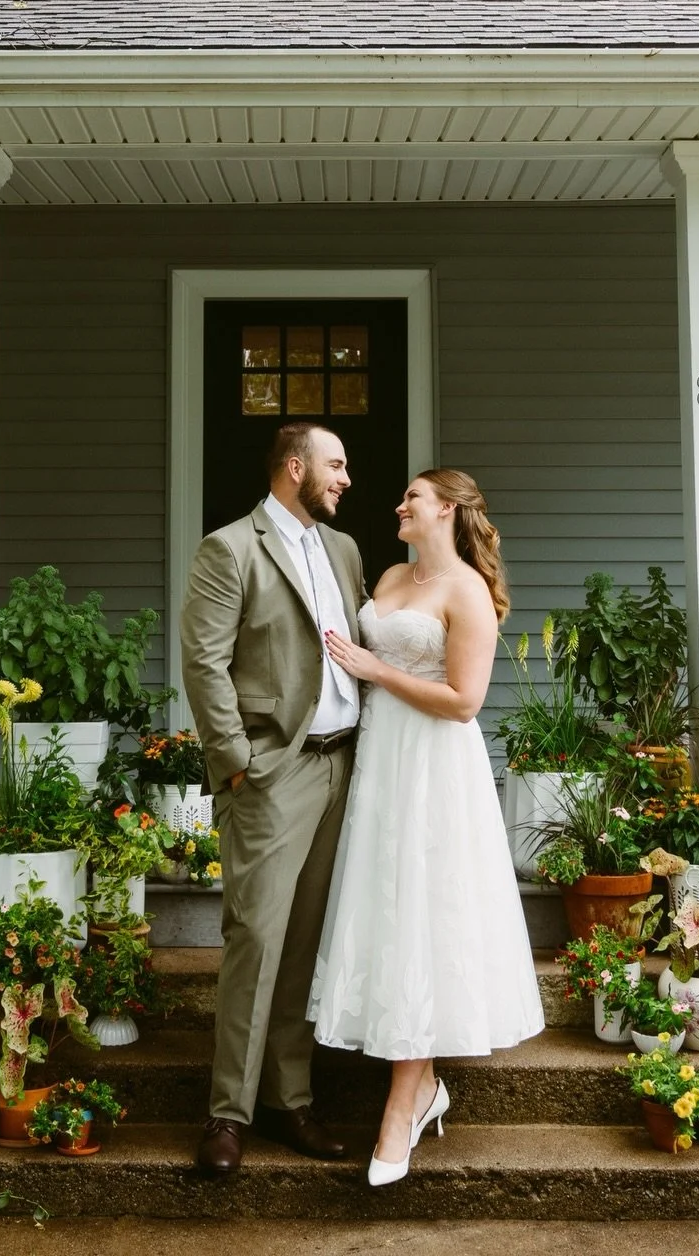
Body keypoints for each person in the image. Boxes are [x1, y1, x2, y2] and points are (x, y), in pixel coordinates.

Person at [308, 468, 545, 1185]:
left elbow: (464, 701)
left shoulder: (467, 591)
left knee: (424, 913)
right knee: (392, 914)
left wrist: (376, 670)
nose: (398, 505)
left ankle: (399, 1108)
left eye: (411, 497)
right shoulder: (387, 573)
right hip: (380, 762)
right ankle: (425, 1086)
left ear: (446, 509)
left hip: (435, 767)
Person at [180, 421, 366, 1176]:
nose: (347, 479)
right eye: (336, 465)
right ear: (295, 468)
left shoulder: (345, 551)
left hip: (342, 770)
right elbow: (203, 660)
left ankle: (290, 1104)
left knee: (303, 944)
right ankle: (227, 1115)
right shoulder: (232, 548)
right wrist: (235, 765)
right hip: (273, 772)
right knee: (256, 939)